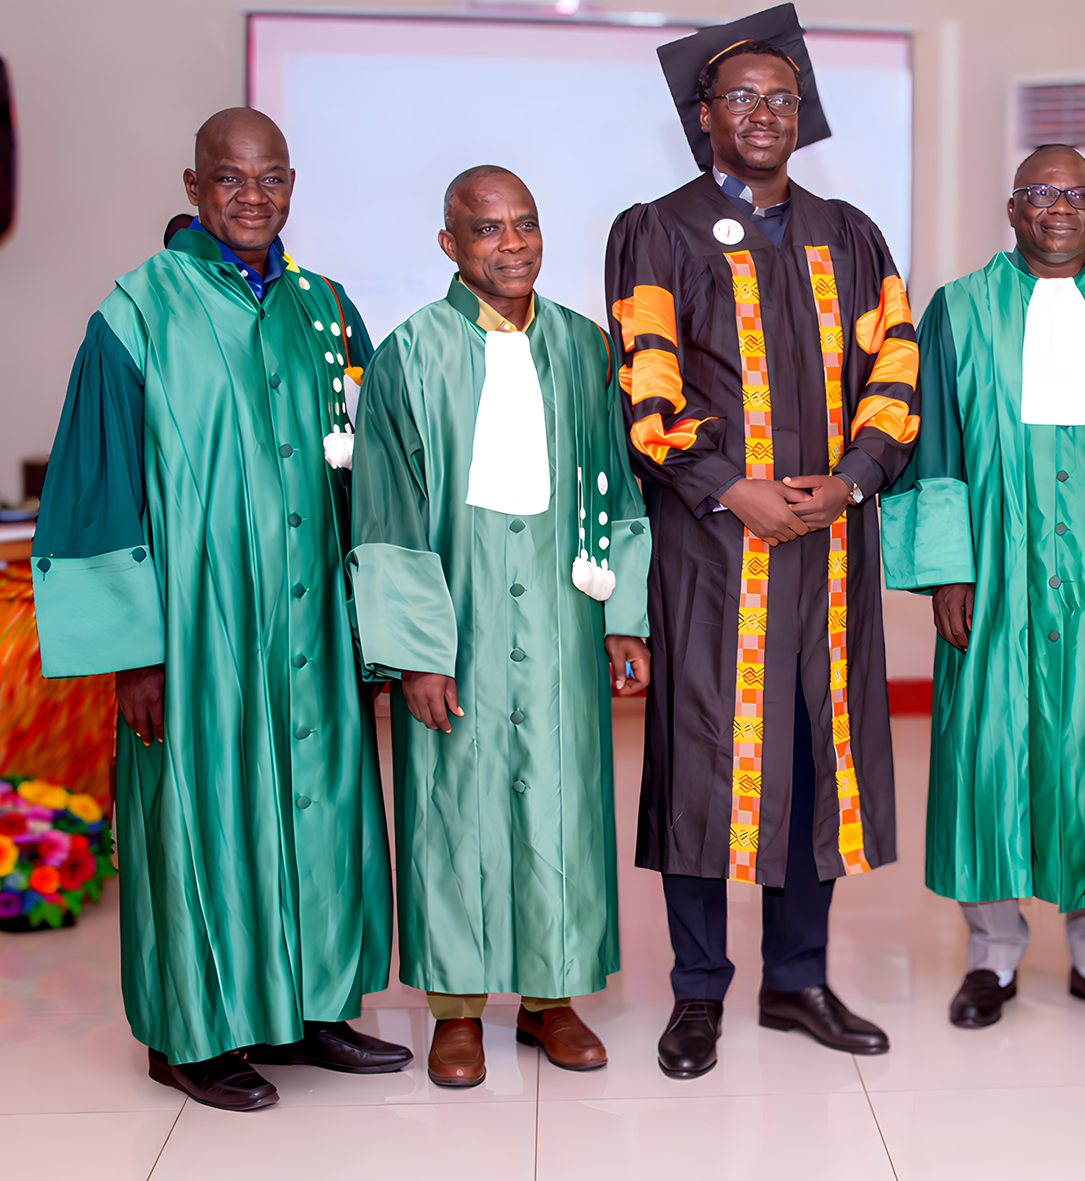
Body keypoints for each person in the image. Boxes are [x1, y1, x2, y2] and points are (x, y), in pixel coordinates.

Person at [30, 108, 406, 1111]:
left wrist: (376, 627)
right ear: (194, 186)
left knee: (321, 802)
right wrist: (133, 650)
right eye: (230, 178)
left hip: (313, 620)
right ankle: (191, 1034)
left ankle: (315, 1006)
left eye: (271, 177)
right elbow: (96, 482)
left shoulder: (323, 309)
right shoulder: (137, 310)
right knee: (202, 816)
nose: (253, 196)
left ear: (291, 186)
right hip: (198, 625)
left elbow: (366, 475)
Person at [607, 4, 918, 1079]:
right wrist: (724, 485)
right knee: (703, 763)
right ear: (703, 115)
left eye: (779, 99)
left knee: (812, 756)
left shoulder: (849, 232)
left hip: (827, 550)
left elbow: (895, 372)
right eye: (738, 97)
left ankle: (797, 979)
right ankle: (698, 994)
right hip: (712, 549)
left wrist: (855, 476)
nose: (761, 114)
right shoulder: (658, 228)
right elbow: (645, 378)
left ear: (803, 114)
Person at [350, 166, 652, 1088]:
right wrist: (414, 654)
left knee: (562, 803)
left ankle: (551, 1000)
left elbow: (617, 486)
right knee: (454, 809)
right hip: (462, 621)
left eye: (525, 224)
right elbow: (389, 513)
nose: (511, 243)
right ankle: (455, 1008)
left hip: (562, 614)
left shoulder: (583, 347)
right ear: (450, 244)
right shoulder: (411, 353)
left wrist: (624, 618)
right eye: (487, 229)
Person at [880, 144, 1085, 1030]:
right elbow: (932, 439)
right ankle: (993, 952)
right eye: (1043, 193)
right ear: (1012, 208)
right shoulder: (959, 310)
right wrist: (947, 567)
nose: (1062, 208)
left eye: (1080, 195)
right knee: (990, 756)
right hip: (999, 573)